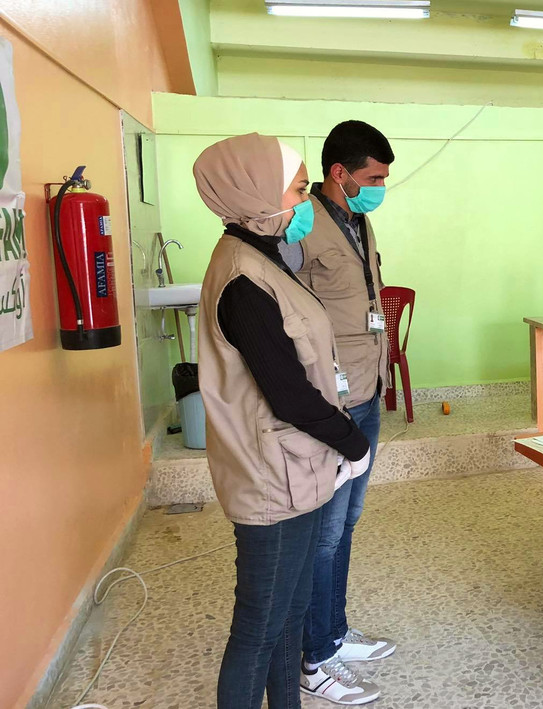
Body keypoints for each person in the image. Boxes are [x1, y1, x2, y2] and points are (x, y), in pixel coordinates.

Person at [194, 133, 375, 708]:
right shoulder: (242, 282)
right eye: (298, 190)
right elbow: (289, 395)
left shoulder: (264, 258)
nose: (305, 202)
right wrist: (351, 442)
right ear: (254, 195)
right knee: (259, 628)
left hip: (298, 467)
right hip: (270, 478)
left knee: (289, 618)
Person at [277, 121, 397, 703]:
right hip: (330, 398)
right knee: (323, 534)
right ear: (340, 174)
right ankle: (312, 657)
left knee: (346, 524)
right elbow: (285, 306)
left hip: (367, 391)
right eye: (373, 177)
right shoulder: (303, 225)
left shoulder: (360, 220)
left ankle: (333, 631)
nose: (380, 187)